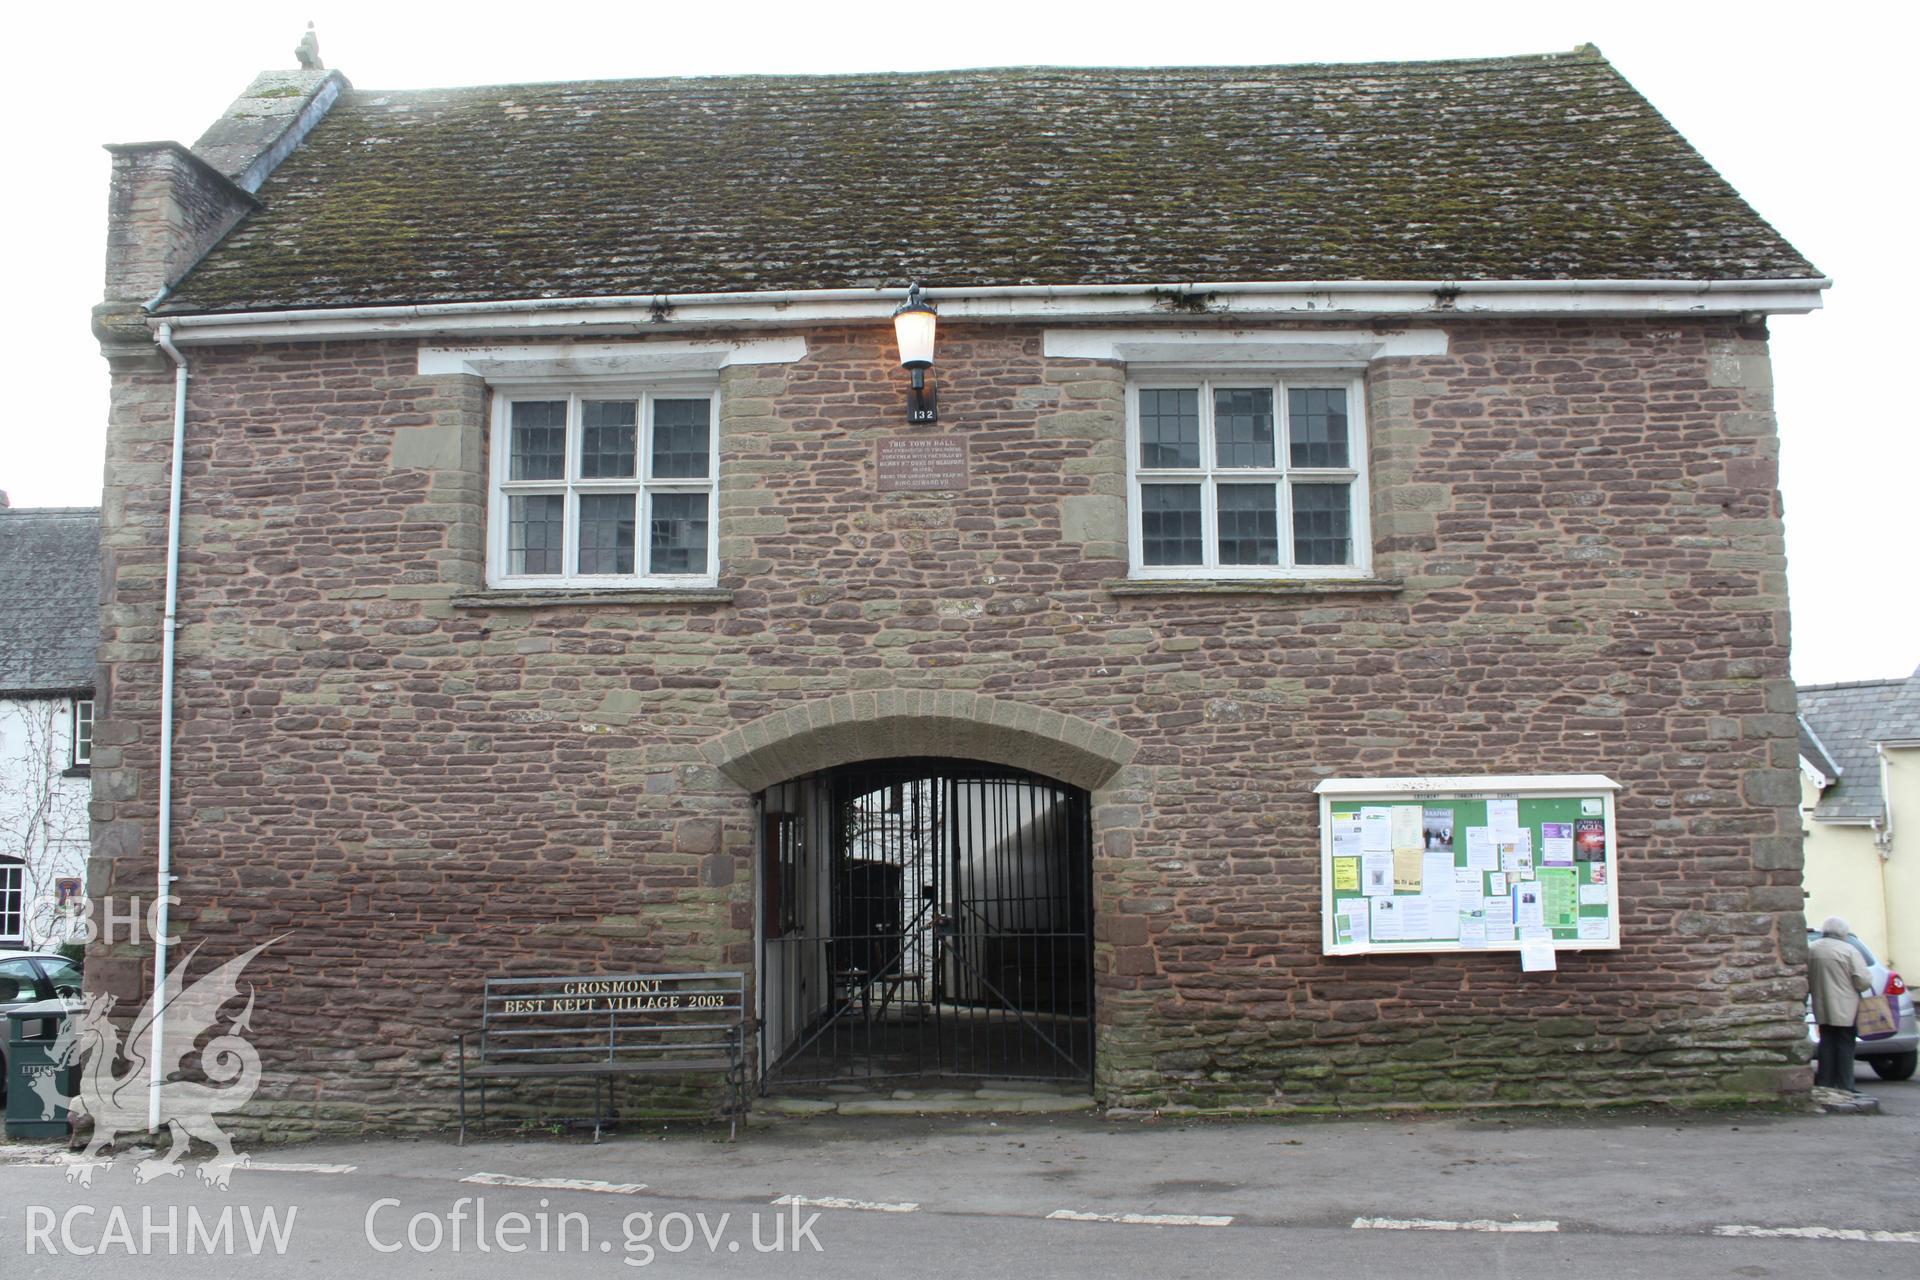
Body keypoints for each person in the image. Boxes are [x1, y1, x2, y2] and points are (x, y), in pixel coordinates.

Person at [1808, 915, 1875, 1092]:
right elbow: (1863, 981)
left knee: (1827, 1042)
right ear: (1843, 932)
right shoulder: (1849, 950)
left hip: (1821, 1003)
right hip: (1846, 1006)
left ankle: (1825, 1082)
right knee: (1845, 1044)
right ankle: (1846, 1085)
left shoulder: (1812, 949)